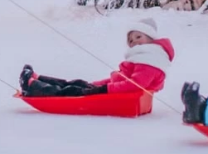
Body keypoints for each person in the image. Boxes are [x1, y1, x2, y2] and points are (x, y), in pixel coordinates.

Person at [19, 18, 174, 97]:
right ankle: (36, 78)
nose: (134, 42)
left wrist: (103, 89)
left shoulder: (150, 61)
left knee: (72, 91)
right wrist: (96, 85)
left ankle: (33, 87)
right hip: (117, 93)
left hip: (122, 99)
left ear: (151, 39)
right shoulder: (143, 58)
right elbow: (121, 79)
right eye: (130, 40)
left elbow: (135, 85)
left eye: (138, 36)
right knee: (78, 83)